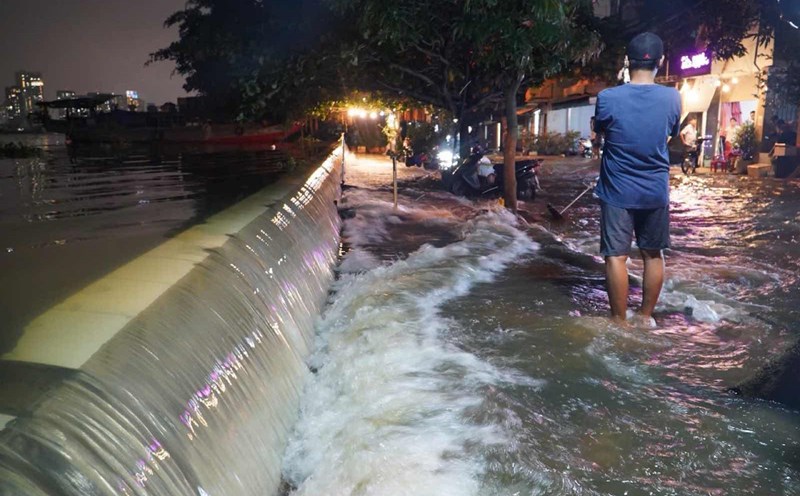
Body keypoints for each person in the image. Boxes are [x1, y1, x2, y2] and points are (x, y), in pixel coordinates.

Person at [593, 32, 681, 326]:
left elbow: (602, 132)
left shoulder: (607, 98)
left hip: (617, 189)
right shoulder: (673, 97)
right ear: (661, 61)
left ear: (627, 61)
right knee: (653, 255)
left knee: (616, 257)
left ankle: (619, 322)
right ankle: (645, 317)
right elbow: (670, 132)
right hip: (655, 189)